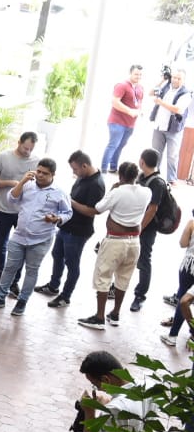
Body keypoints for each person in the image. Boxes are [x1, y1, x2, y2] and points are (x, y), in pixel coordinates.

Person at [0, 159, 74, 316]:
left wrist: (57, 218)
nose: (40, 175)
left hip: (41, 239)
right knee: (9, 267)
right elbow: (11, 199)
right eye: (38, 171)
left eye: (45, 173)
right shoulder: (28, 185)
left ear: (53, 175)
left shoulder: (59, 192)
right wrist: (22, 181)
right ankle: (0, 297)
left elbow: (68, 213)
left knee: (32, 270)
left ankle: (22, 301)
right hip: (19, 235)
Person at [78, 162, 153, 330]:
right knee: (124, 278)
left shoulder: (117, 192)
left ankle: (99, 317)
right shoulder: (146, 192)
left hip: (115, 240)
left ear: (120, 176)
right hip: (134, 241)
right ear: (136, 175)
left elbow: (98, 208)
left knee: (103, 277)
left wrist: (113, 190)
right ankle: (115, 313)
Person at [35, 151, 106, 309]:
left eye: (75, 169)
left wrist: (69, 201)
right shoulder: (83, 177)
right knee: (57, 254)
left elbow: (92, 211)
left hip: (78, 231)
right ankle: (53, 286)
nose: (74, 173)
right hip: (66, 225)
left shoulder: (96, 185)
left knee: (72, 264)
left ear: (84, 165)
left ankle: (65, 297)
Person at [0, 132, 40, 294]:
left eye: (31, 149)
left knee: (21, 248)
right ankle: (0, 280)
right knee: (1, 246)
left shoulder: (36, 162)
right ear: (18, 142)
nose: (28, 152)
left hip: (24, 213)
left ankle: (14, 282)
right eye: (25, 148)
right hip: (3, 209)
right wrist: (10, 183)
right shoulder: (3, 158)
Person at [130, 148, 170, 312]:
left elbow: (152, 209)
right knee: (126, 256)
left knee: (144, 260)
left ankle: (140, 296)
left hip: (147, 228)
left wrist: (139, 229)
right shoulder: (141, 177)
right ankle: (116, 286)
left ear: (142, 161)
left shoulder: (157, 183)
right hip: (135, 223)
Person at [149, 68, 190, 183]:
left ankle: (171, 179)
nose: (175, 80)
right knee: (155, 153)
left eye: (179, 78)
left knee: (172, 156)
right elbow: (151, 93)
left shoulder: (186, 94)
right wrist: (162, 80)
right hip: (159, 126)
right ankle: (153, 176)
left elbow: (178, 109)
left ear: (183, 80)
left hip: (173, 129)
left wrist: (161, 102)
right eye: (174, 77)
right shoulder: (165, 86)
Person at [101, 65, 144, 174]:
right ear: (130, 73)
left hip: (130, 124)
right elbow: (115, 102)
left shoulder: (140, 88)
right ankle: (103, 169)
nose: (138, 76)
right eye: (136, 74)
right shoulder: (122, 85)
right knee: (113, 145)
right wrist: (129, 111)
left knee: (120, 145)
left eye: (140, 74)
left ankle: (113, 167)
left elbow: (139, 103)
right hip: (117, 122)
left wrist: (139, 111)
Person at [159, 218, 194, 347]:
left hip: (189, 265)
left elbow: (183, 243)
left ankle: (173, 335)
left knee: (183, 298)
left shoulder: (192, 223)